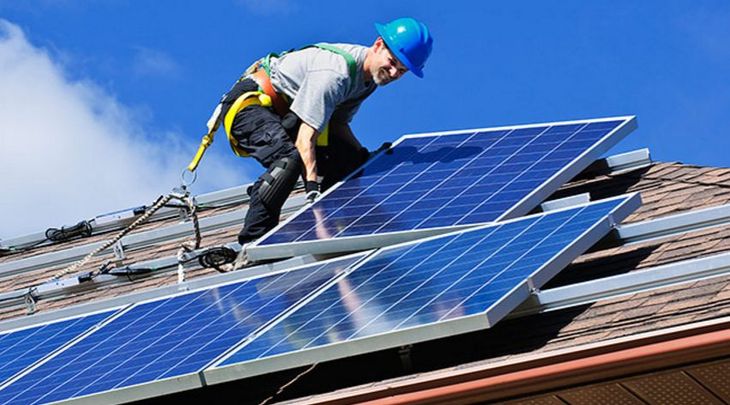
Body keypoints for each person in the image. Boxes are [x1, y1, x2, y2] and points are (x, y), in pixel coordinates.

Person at [215, 17, 433, 260]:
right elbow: (305, 139)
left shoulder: (367, 82)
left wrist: (363, 156)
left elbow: (338, 124)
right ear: (378, 44)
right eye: (392, 63)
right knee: (290, 160)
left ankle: (345, 226)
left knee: (351, 161)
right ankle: (254, 243)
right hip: (250, 106)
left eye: (401, 71)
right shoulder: (336, 73)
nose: (393, 73)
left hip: (287, 115)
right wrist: (312, 190)